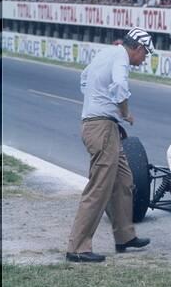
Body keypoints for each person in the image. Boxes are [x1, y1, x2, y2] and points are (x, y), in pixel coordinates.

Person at [66, 27, 154, 263]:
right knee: (99, 187)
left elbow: (84, 79)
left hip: (103, 125)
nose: (144, 59)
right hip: (101, 128)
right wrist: (124, 113)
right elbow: (119, 87)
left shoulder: (107, 52)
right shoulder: (121, 59)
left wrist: (99, 107)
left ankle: (124, 236)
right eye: (145, 53)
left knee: (124, 180)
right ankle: (77, 247)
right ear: (136, 48)